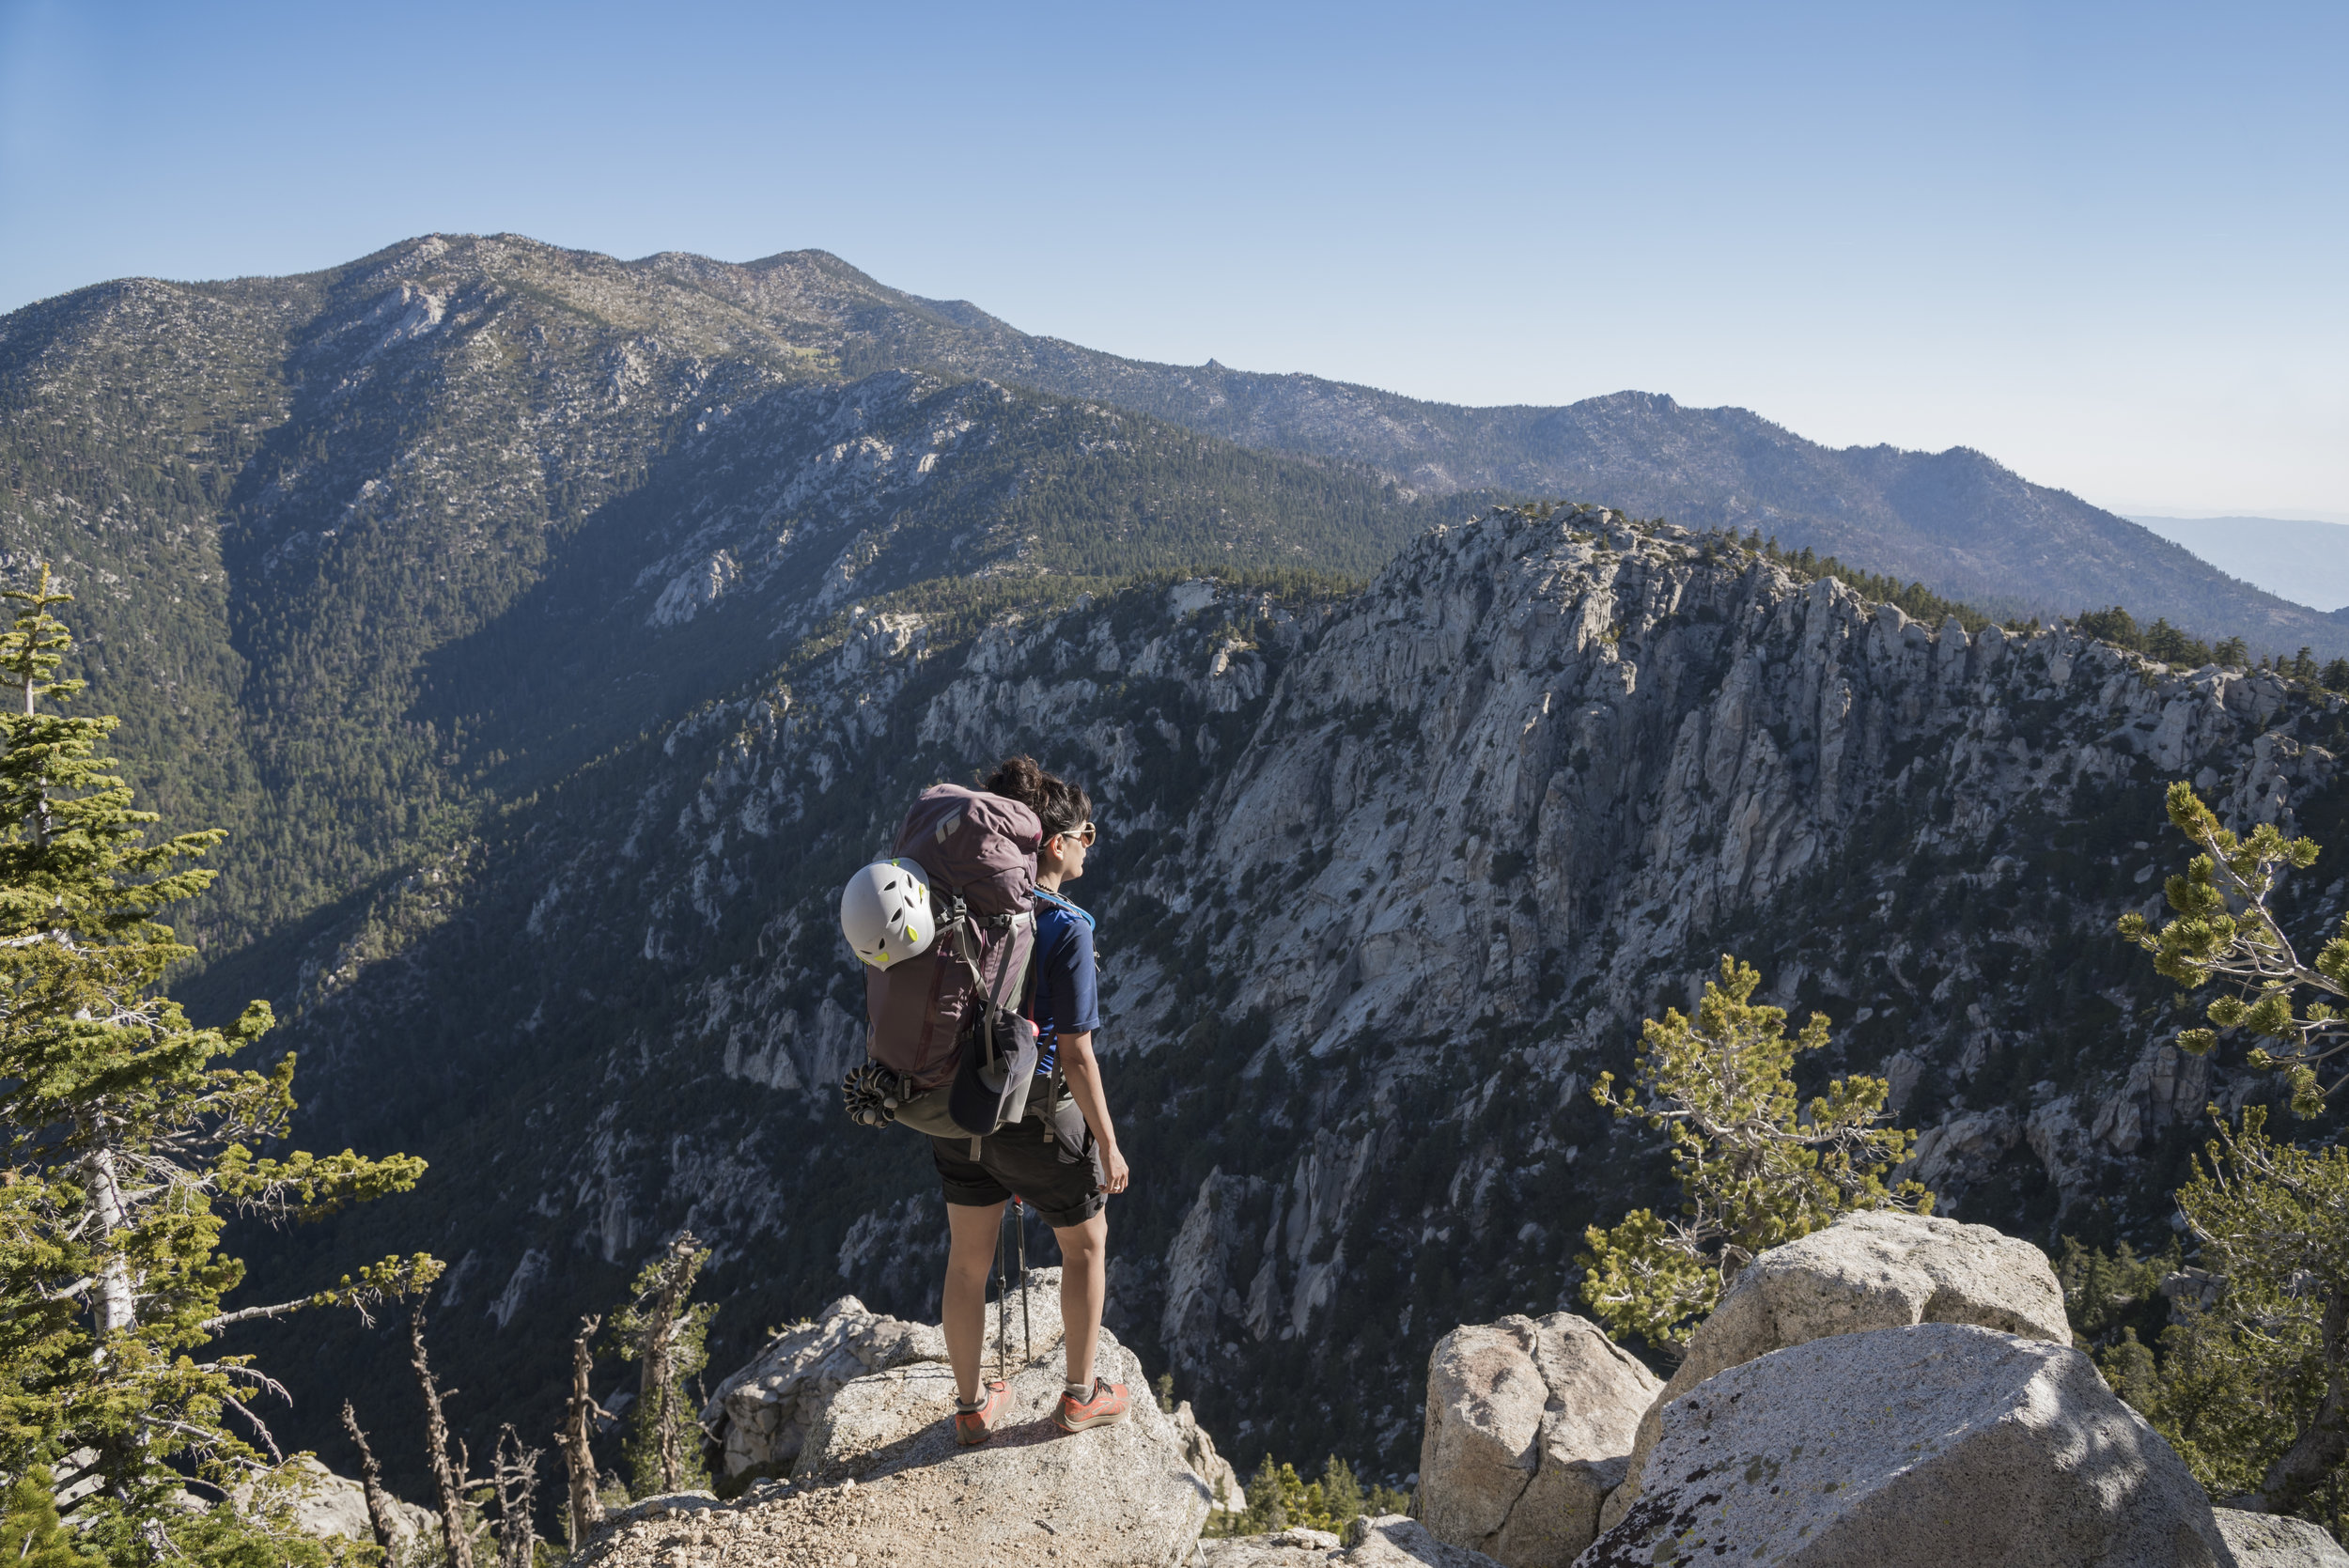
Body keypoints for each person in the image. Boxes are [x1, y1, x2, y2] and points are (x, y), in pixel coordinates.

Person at [937, 754, 1132, 1445]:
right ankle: (1081, 1395)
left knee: (967, 1259)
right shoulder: (1067, 925)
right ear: (1054, 841)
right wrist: (1107, 1141)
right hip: (1035, 1115)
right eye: (1087, 833)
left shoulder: (968, 904)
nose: (1091, 842)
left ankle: (970, 1405)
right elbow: (1076, 1052)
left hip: (955, 1109)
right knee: (1086, 1243)